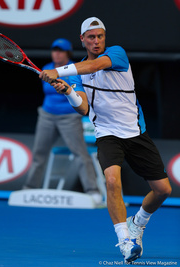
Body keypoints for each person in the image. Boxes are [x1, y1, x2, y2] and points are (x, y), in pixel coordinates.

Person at [39, 18, 172, 263]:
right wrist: (68, 91)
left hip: (135, 132)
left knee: (163, 190)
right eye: (91, 37)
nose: (97, 41)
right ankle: (124, 241)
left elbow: (95, 67)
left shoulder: (116, 54)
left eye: (100, 36)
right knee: (112, 182)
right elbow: (83, 107)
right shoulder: (77, 72)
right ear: (83, 39)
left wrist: (58, 71)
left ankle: (137, 223)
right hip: (107, 134)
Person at [23, 38, 102, 205]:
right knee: (39, 154)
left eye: (60, 51)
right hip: (47, 116)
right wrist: (55, 83)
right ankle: (29, 189)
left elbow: (76, 92)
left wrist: (63, 86)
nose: (56, 54)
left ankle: (93, 191)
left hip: (70, 118)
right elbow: (47, 89)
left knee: (80, 154)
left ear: (68, 54)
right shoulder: (46, 68)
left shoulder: (75, 69)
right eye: (54, 50)